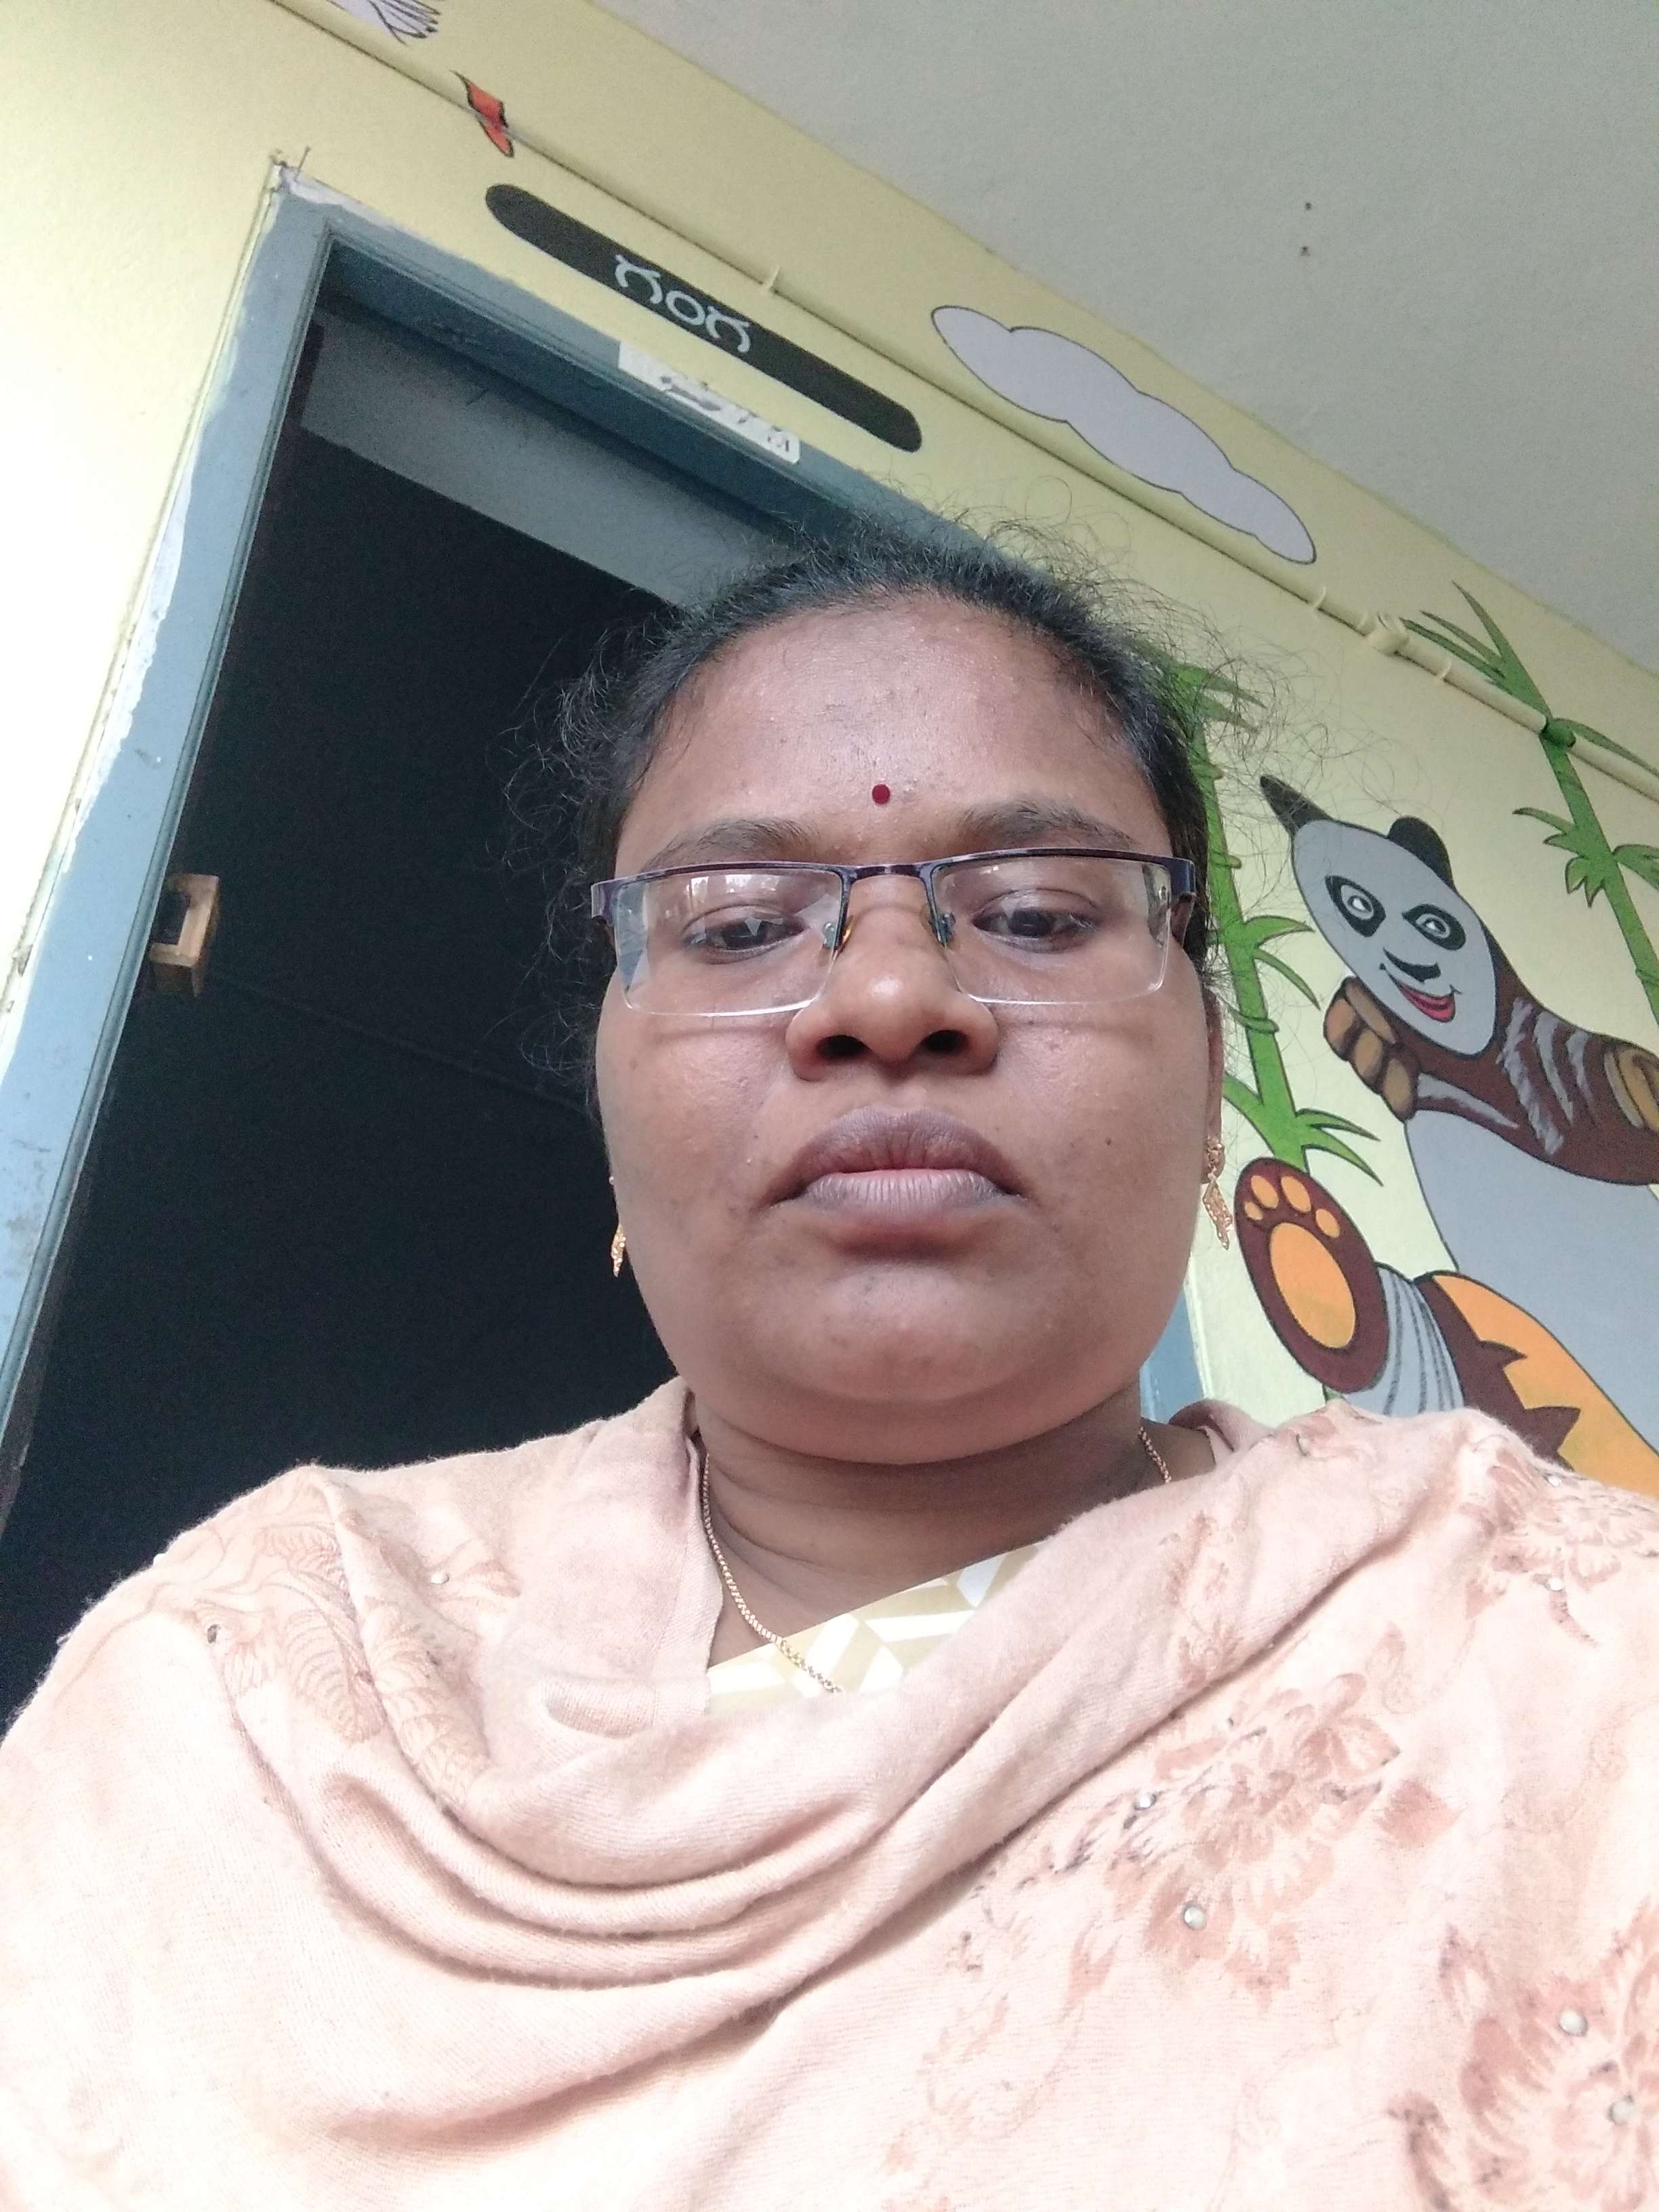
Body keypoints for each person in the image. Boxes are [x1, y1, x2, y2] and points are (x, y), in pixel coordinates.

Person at [2, 525, 1656, 2209]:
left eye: (1036, 911)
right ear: (611, 1093)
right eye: (736, 928)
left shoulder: (1567, 1667)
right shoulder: (257, 1683)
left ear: (1212, 1072)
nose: (886, 995)